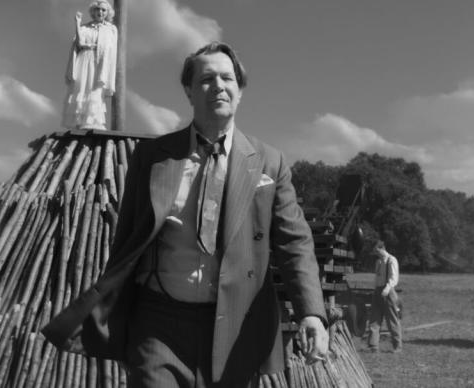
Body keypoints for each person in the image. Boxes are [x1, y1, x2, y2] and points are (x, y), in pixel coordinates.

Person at [43, 42, 328, 387]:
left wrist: (311, 311)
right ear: (189, 91)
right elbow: (127, 240)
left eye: (227, 78)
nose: (218, 86)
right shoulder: (153, 157)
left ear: (240, 91)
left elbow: (294, 242)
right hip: (159, 322)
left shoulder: (270, 162)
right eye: (206, 79)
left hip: (235, 327)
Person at [62, 0, 118, 130]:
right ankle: (80, 120)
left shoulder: (111, 29)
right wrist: (77, 23)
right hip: (85, 59)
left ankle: (93, 120)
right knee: (83, 87)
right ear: (93, 11)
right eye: (98, 9)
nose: (100, 12)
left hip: (100, 61)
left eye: (103, 10)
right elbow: (78, 43)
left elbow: (112, 49)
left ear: (107, 12)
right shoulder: (85, 27)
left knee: (96, 88)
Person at [367, 240, 402, 353]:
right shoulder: (378, 262)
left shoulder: (392, 260)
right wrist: (375, 290)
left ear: (382, 248)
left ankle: (397, 346)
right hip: (377, 291)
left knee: (392, 320)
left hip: (388, 292)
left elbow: (393, 279)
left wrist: (386, 290)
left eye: (377, 251)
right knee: (374, 319)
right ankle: (373, 346)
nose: (376, 253)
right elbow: (377, 278)